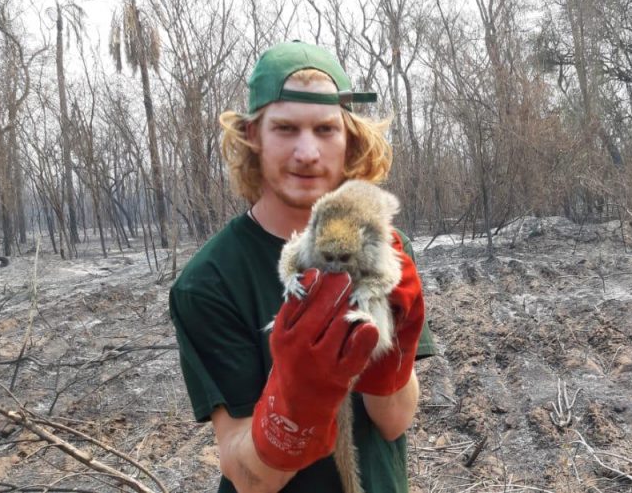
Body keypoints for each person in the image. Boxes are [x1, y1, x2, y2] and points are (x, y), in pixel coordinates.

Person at [169, 41, 436, 493]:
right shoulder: (209, 282)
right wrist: (295, 406)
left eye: (326, 129)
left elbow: (392, 423)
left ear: (349, 136)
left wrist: (394, 349)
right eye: (287, 128)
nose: (308, 152)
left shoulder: (386, 245)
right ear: (253, 135)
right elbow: (248, 478)